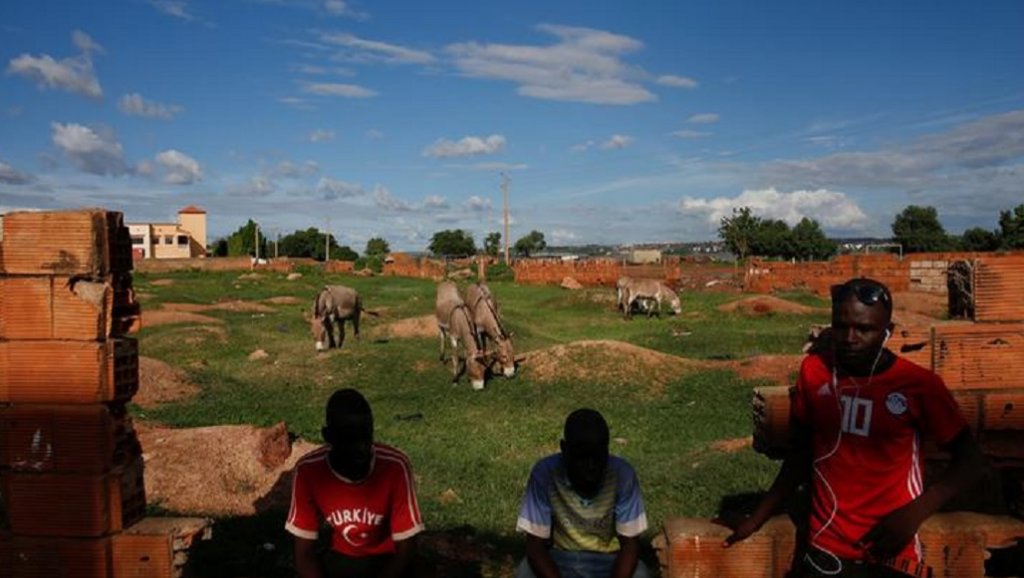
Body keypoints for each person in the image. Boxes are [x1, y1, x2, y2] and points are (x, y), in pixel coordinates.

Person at [720, 278, 986, 577]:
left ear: (888, 332)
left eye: (864, 329)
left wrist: (915, 514)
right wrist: (756, 519)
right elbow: (801, 454)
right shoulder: (814, 372)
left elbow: (971, 462)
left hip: (890, 552)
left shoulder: (918, 386)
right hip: (824, 553)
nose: (850, 338)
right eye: (841, 326)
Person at [286, 388, 424, 578]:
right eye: (349, 439)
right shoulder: (308, 471)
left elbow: (406, 550)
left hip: (388, 561)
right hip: (342, 559)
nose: (361, 448)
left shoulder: (395, 467)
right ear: (328, 437)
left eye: (366, 437)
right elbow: (303, 554)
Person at [515, 408, 650, 578]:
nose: (591, 465)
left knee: (640, 573)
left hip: (609, 561)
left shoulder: (623, 476)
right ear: (564, 449)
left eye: (598, 456)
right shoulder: (545, 474)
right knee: (526, 571)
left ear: (607, 451)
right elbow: (535, 547)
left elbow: (630, 545)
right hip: (559, 561)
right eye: (582, 457)